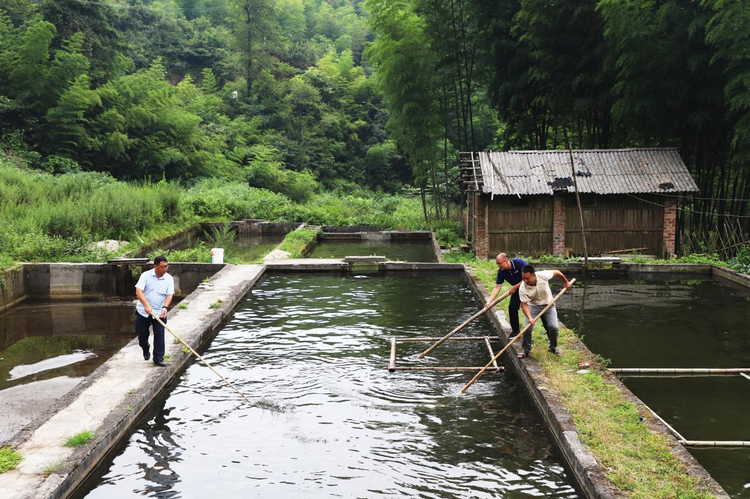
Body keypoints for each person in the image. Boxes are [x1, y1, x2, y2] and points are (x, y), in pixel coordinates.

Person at [517, 265, 572, 358]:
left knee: (553, 327)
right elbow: (524, 305)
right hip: (533, 306)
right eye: (523, 278)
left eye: (527, 278)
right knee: (527, 328)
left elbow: (557, 272)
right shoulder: (522, 288)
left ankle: (553, 348)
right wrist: (530, 318)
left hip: (548, 304)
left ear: (534, 275)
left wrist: (566, 282)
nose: (525, 281)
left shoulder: (543, 275)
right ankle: (526, 350)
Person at [135, 256, 174, 367]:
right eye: (162, 267)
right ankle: (145, 347)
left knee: (159, 334)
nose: (165, 269)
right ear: (155, 266)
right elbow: (138, 291)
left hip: (159, 311)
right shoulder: (146, 276)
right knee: (141, 333)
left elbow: (169, 294)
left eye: (166, 266)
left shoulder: (169, 279)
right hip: (143, 311)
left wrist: (165, 307)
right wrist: (146, 305)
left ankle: (158, 358)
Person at [484, 253, 527, 338]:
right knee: (512, 307)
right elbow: (497, 287)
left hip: (530, 286)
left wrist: (514, 287)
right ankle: (515, 332)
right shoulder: (501, 272)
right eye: (497, 263)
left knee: (537, 308)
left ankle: (549, 334)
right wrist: (489, 302)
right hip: (518, 290)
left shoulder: (520, 263)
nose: (498, 266)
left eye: (499, 263)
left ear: (506, 261)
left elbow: (528, 278)